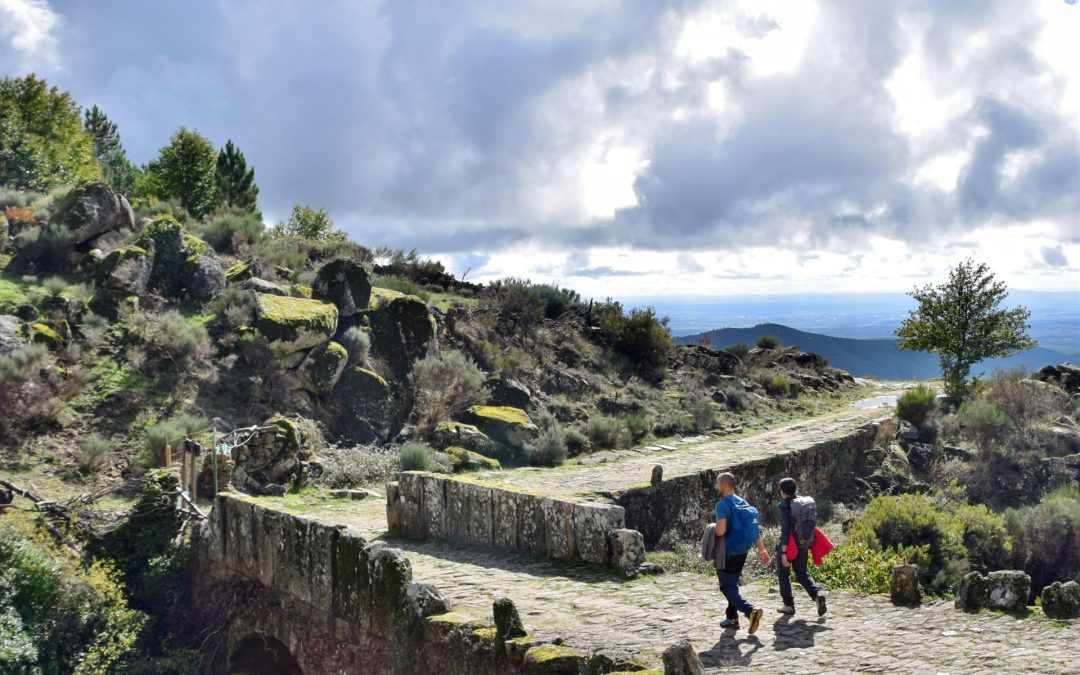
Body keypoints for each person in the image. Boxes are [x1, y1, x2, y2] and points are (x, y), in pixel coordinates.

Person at [713, 472, 771, 634]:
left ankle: (750, 611)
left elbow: (721, 530)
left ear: (724, 484)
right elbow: (754, 530)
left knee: (726, 587)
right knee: (733, 586)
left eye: (718, 483)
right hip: (742, 551)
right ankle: (732, 619)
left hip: (727, 552)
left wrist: (711, 530)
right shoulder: (744, 503)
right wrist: (762, 550)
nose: (717, 486)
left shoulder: (722, 505)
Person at [776, 477, 826, 616]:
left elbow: (786, 530)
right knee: (802, 573)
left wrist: (784, 553)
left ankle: (788, 605)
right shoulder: (802, 503)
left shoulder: (784, 506)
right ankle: (817, 596)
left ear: (783, 491)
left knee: (783, 575)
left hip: (789, 546)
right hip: (803, 544)